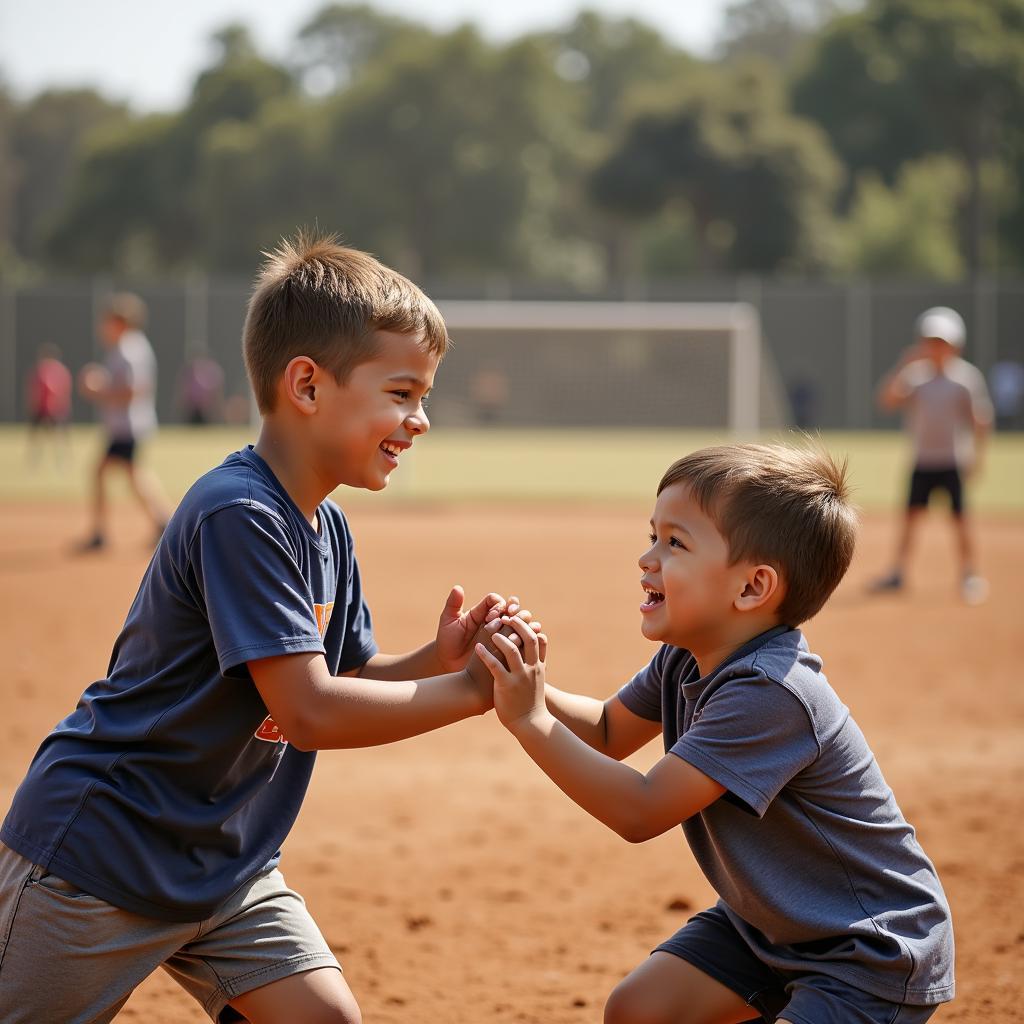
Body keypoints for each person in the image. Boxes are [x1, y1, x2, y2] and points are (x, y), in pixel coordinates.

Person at [0, 233, 530, 1024]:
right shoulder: (239, 514)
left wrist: (437, 657)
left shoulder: (326, 526)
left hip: (222, 862)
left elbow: (344, 677)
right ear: (308, 386)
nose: (419, 420)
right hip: (102, 856)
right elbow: (311, 711)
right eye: (401, 392)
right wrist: (466, 692)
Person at [476, 443, 955, 1024]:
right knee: (639, 1011)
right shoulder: (688, 657)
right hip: (767, 928)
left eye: (674, 543)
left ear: (752, 588)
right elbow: (606, 730)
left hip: (866, 949)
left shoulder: (770, 693)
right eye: (652, 535)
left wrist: (529, 719)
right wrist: (516, 676)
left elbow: (642, 810)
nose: (647, 559)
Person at [870, 306, 993, 604]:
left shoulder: (966, 378)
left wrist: (978, 456)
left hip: (952, 460)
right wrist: (903, 365)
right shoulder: (914, 376)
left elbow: (981, 420)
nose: (936, 347)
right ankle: (899, 572)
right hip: (923, 460)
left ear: (955, 345)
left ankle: (969, 574)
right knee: (910, 517)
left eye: (942, 342)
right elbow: (886, 401)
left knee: (960, 519)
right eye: (930, 340)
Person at [76, 292, 171, 550]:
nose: (104, 327)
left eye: (109, 321)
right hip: (126, 425)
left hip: (128, 426)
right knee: (132, 475)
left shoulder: (129, 349)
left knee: (107, 472)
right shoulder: (126, 347)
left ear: (121, 322)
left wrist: (99, 390)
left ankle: (101, 533)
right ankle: (163, 523)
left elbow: (134, 390)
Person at [24, 342, 73, 467]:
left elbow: (63, 392)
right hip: (42, 409)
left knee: (59, 438)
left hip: (55, 410)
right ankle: (34, 462)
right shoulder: (40, 370)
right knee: (36, 439)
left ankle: (62, 462)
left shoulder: (58, 370)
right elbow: (34, 391)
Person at [179, 342, 225, 424]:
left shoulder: (211, 370)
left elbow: (216, 392)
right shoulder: (191, 371)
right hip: (194, 409)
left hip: (206, 409)